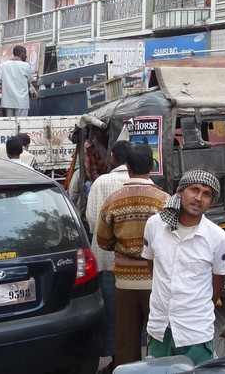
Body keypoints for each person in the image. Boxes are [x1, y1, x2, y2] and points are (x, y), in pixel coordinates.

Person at [142, 170, 225, 364]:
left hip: (195, 333)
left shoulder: (218, 238)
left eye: (206, 194)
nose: (199, 198)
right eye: (194, 190)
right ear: (181, 191)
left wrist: (196, 309)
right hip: (160, 328)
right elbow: (152, 265)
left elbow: (218, 281)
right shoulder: (154, 225)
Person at [96, 143, 169, 367]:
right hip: (156, 281)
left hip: (124, 281)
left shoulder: (113, 200)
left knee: (126, 342)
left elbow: (103, 241)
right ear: (152, 167)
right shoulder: (164, 200)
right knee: (160, 338)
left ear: (127, 167)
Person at [86, 140, 133, 373]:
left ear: (113, 157)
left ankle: (117, 361)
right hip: (136, 263)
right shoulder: (143, 182)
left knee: (113, 315)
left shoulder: (101, 182)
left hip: (106, 260)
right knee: (134, 314)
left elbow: (92, 218)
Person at [0, 45, 34, 117]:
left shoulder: (3, 65)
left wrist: (7, 81)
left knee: (10, 122)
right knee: (21, 122)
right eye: (25, 53)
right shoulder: (26, 66)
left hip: (8, 101)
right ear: (20, 54)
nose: (26, 56)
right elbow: (30, 80)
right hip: (22, 101)